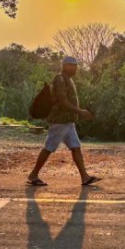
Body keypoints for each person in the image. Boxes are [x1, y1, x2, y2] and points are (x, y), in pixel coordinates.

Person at [27, 56, 101, 187]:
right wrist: (80, 111)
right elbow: (62, 101)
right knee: (49, 147)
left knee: (76, 147)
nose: (75, 68)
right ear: (65, 66)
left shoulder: (68, 80)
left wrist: (77, 113)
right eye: (72, 65)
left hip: (68, 122)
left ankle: (84, 177)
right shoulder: (60, 79)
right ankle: (33, 175)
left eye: (76, 66)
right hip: (59, 121)